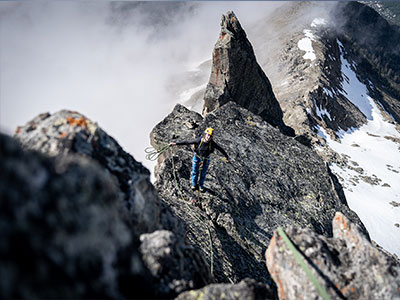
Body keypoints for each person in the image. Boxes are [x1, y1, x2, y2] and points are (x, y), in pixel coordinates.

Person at [170, 127, 229, 192]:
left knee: (203, 173)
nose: (208, 137)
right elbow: (187, 142)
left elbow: (221, 149)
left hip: (205, 159)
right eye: (208, 135)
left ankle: (201, 186)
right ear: (205, 134)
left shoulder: (212, 143)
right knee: (195, 171)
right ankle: (194, 184)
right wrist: (176, 144)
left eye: (210, 136)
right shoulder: (198, 140)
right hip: (197, 157)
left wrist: (226, 157)